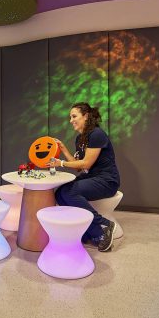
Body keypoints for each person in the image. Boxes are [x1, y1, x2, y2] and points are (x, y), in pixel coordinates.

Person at [48, 102, 120, 252]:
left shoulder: (97, 134)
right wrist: (63, 150)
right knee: (60, 194)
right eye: (70, 117)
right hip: (92, 178)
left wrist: (60, 163)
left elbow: (86, 164)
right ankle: (91, 233)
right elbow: (79, 166)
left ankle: (103, 225)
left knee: (69, 192)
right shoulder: (80, 139)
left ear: (86, 116)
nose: (71, 120)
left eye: (74, 116)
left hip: (106, 180)